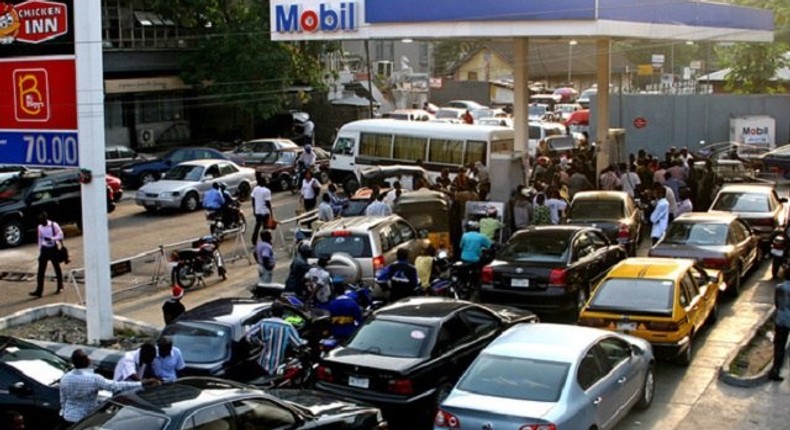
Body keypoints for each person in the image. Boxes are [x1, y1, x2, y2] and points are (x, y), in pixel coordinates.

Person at [60, 349, 154, 426]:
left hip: (68, 418)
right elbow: (115, 386)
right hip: (84, 420)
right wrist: (141, 383)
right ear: (85, 361)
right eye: (87, 357)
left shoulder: (65, 377)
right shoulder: (94, 378)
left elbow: (63, 399)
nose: (90, 359)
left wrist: (63, 412)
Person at [245, 301, 307, 375]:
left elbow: (249, 335)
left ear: (271, 312)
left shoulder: (263, 322)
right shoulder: (287, 326)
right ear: (283, 313)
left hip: (262, 363)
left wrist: (259, 343)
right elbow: (298, 343)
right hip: (277, 366)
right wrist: (306, 342)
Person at [30, 211, 64, 298]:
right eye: (39, 220)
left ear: (46, 219)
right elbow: (40, 238)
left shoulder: (53, 225)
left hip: (53, 248)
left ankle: (60, 286)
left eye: (42, 219)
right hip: (45, 249)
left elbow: (61, 235)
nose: (40, 221)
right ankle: (39, 290)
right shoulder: (40, 227)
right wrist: (40, 248)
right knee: (41, 271)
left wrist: (52, 238)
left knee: (57, 267)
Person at [770, 269, 790, 381]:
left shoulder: (779, 287)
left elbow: (776, 303)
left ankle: (776, 369)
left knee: (779, 345)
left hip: (781, 318)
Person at [250, 176, 273, 247]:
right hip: (265, 212)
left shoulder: (255, 189)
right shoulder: (267, 191)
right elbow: (267, 203)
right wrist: (271, 212)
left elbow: (253, 200)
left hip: (258, 211)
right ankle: (266, 241)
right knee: (265, 227)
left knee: (257, 226)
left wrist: (254, 210)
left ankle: (254, 240)